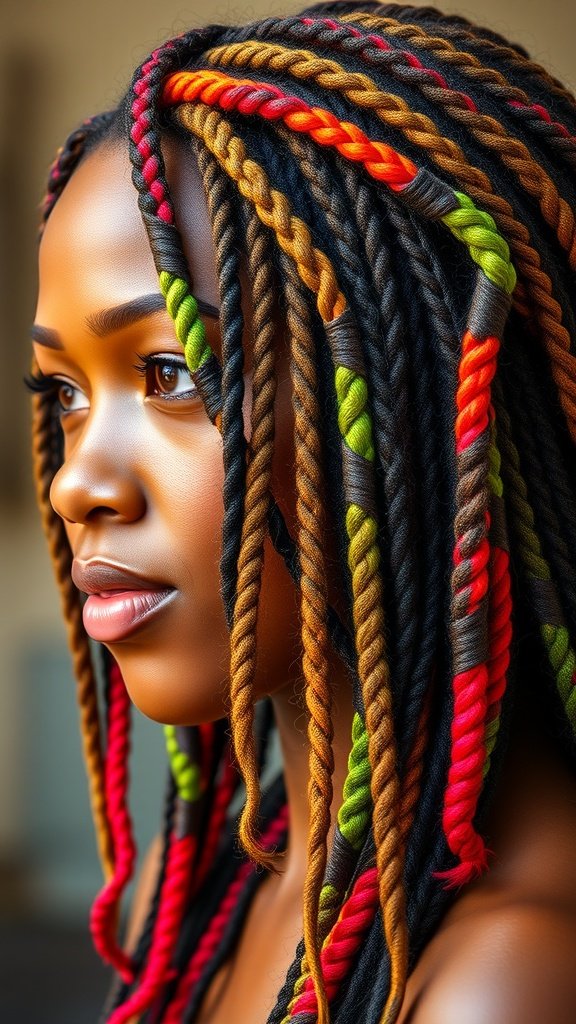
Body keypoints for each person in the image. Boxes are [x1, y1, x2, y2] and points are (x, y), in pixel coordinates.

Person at [28, 2, 576, 1021]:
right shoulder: (202, 900)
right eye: (62, 392)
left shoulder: (503, 981)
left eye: (171, 373)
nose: (76, 483)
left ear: (420, 396)